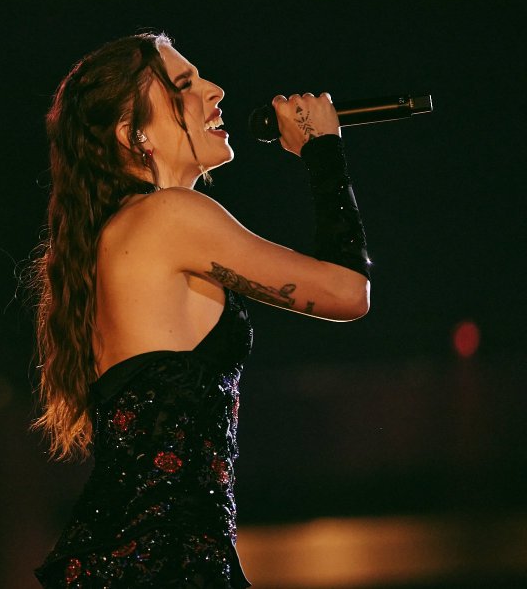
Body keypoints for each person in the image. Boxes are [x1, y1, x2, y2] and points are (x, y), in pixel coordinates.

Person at [29, 32, 371, 588]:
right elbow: (348, 293)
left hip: (146, 556)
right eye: (184, 85)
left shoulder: (122, 232)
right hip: (162, 561)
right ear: (133, 131)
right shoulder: (168, 217)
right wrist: (322, 149)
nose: (216, 91)